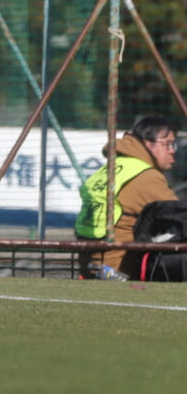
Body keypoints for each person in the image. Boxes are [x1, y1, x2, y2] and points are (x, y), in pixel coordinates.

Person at [75, 115, 178, 280]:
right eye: (167, 144)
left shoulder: (113, 167)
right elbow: (180, 218)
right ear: (147, 144)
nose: (172, 150)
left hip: (89, 265)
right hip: (118, 272)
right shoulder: (146, 176)